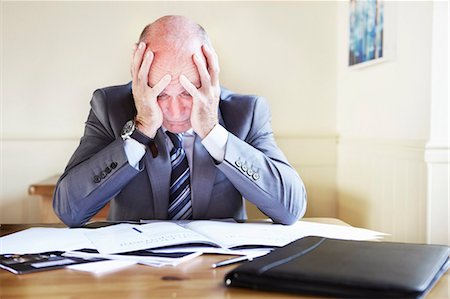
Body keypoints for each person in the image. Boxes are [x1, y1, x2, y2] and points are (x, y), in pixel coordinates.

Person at [53, 15, 307, 227]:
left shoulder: (247, 112)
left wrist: (212, 130)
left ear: (210, 72)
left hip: (219, 267)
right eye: (160, 93)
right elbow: (69, 210)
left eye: (188, 92)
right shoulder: (109, 106)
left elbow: (290, 209)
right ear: (138, 74)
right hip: (133, 272)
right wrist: (140, 131)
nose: (175, 111)